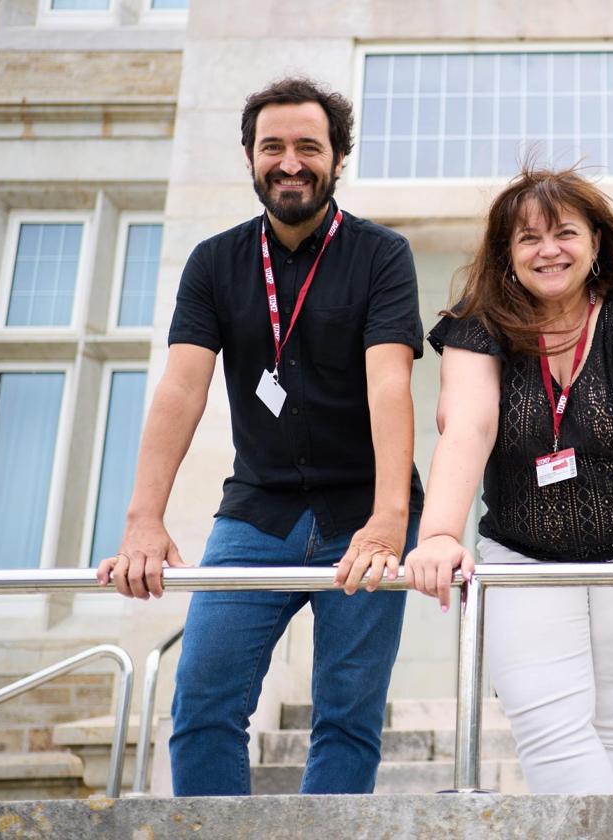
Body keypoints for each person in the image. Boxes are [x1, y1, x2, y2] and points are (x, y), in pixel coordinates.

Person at [95, 77, 424, 796]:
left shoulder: (382, 256)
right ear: (250, 157)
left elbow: (389, 384)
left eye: (310, 146)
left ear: (338, 160)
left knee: (348, 717)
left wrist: (391, 520)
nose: (290, 162)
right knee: (204, 701)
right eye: (272, 146)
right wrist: (143, 519)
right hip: (257, 512)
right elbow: (181, 388)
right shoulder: (215, 263)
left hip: (364, 516)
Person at [404, 166, 613, 794]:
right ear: (507, 254)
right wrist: (437, 533)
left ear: (596, 242)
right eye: (528, 239)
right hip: (522, 555)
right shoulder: (480, 320)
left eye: (565, 233)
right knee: (551, 729)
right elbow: (466, 425)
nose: (549, 250)